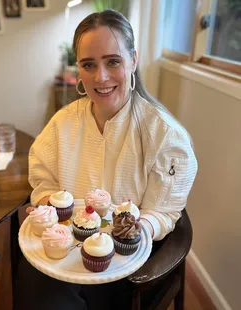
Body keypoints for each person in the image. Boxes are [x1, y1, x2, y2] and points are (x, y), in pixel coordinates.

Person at [15, 9, 198, 310]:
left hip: (127, 266)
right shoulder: (62, 124)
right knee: (34, 277)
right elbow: (42, 177)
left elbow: (163, 210)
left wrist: (137, 229)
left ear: (133, 60)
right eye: (89, 65)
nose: (100, 77)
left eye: (113, 61)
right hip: (66, 254)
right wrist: (50, 208)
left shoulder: (165, 136)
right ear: (79, 70)